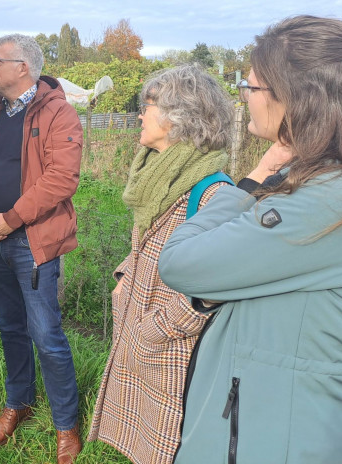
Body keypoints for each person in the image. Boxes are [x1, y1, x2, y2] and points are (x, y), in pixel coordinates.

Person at [158, 16, 342, 464]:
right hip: (271, 423)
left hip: (276, 438)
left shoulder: (337, 200)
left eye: (251, 87)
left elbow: (181, 262)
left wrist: (251, 181)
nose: (244, 99)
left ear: (300, 99)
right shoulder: (334, 180)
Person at [87, 65, 234, 464]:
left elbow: (217, 284)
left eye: (147, 105)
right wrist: (125, 276)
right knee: (145, 443)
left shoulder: (213, 192)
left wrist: (157, 327)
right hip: (142, 323)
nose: (139, 114)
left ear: (180, 117)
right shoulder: (161, 176)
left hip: (171, 346)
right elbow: (148, 242)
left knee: (169, 446)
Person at [0, 34, 83, 463]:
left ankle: (66, 424)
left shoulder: (58, 114)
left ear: (22, 67)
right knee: (10, 327)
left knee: (46, 334)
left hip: (32, 242)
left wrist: (9, 219)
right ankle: (19, 403)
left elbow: (62, 179)